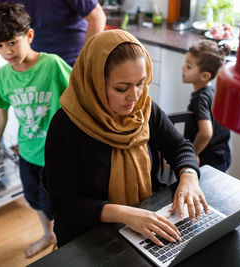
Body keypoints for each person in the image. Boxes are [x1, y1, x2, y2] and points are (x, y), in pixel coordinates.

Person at [43, 30, 209, 248]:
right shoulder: (65, 127)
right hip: (88, 237)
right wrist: (123, 213)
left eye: (141, 83)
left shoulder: (145, 110)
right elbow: (63, 204)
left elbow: (180, 147)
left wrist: (188, 176)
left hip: (145, 224)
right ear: (94, 84)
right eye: (122, 88)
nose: (135, 96)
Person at [0, 3, 72, 257]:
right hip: (28, 154)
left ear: (29, 35)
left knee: (61, 205)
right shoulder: (2, 78)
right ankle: (48, 234)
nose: (7, 52)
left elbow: (79, 98)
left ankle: (66, 244)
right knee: (35, 200)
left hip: (58, 157)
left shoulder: (52, 65)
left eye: (12, 42)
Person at [0, 0, 106, 112]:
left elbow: (97, 18)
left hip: (72, 69)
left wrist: (84, 68)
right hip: (37, 75)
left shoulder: (60, 65)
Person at [182, 40, 231, 172]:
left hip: (209, 160)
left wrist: (193, 154)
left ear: (205, 76)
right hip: (222, 154)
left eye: (189, 66)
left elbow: (206, 133)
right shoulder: (214, 91)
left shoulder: (200, 98)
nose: (183, 68)